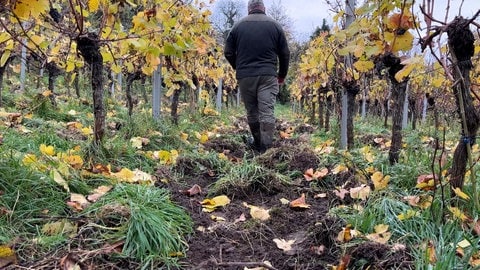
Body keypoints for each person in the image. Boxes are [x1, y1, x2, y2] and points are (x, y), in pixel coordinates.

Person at [224, 0, 290, 153]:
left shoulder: (237, 26)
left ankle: (257, 142)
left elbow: (228, 52)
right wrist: (282, 75)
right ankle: (266, 148)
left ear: (249, 9)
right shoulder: (275, 26)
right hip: (268, 75)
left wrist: (238, 66)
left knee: (252, 111)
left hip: (246, 76)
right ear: (263, 8)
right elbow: (285, 53)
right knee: (267, 111)